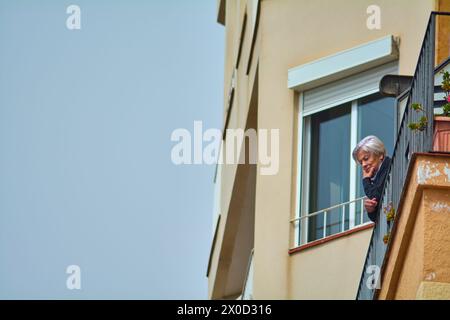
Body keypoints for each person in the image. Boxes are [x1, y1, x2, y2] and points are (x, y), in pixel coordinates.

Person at [352, 135, 391, 222]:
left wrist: (366, 180)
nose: (364, 165)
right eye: (361, 162)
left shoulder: (389, 167)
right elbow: (377, 217)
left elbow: (375, 196)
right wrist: (371, 210)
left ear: (380, 155)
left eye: (366, 158)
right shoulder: (379, 175)